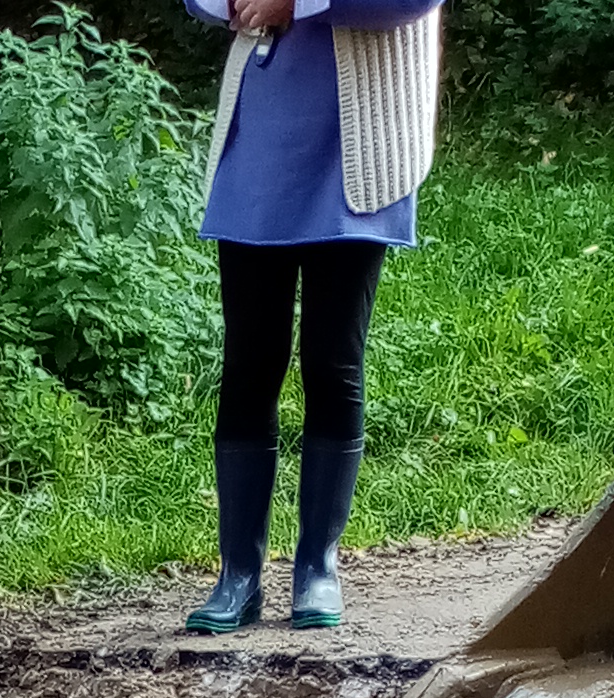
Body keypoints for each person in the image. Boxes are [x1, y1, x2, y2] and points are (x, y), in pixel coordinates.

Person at [180, 0, 443, 634]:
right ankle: (237, 575)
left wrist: (295, 2)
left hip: (361, 143)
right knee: (250, 362)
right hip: (262, 136)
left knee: (332, 360)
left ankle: (316, 566)